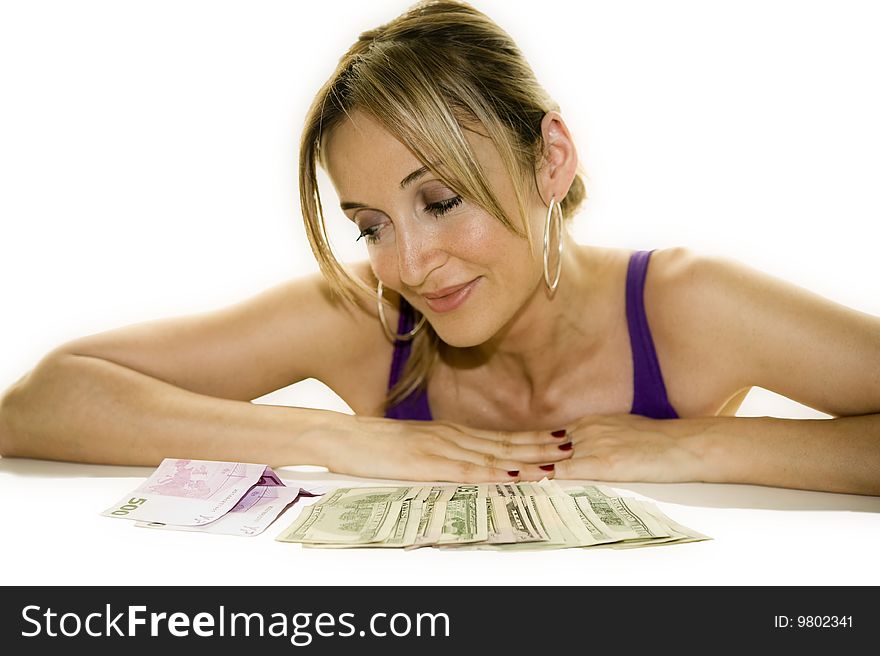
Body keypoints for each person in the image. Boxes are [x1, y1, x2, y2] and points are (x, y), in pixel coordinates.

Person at [0, 0, 878, 495]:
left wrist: (700, 447)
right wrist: (343, 443)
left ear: (552, 158)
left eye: (441, 199)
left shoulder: (685, 305)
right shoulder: (366, 313)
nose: (409, 265)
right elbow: (41, 401)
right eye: (371, 224)